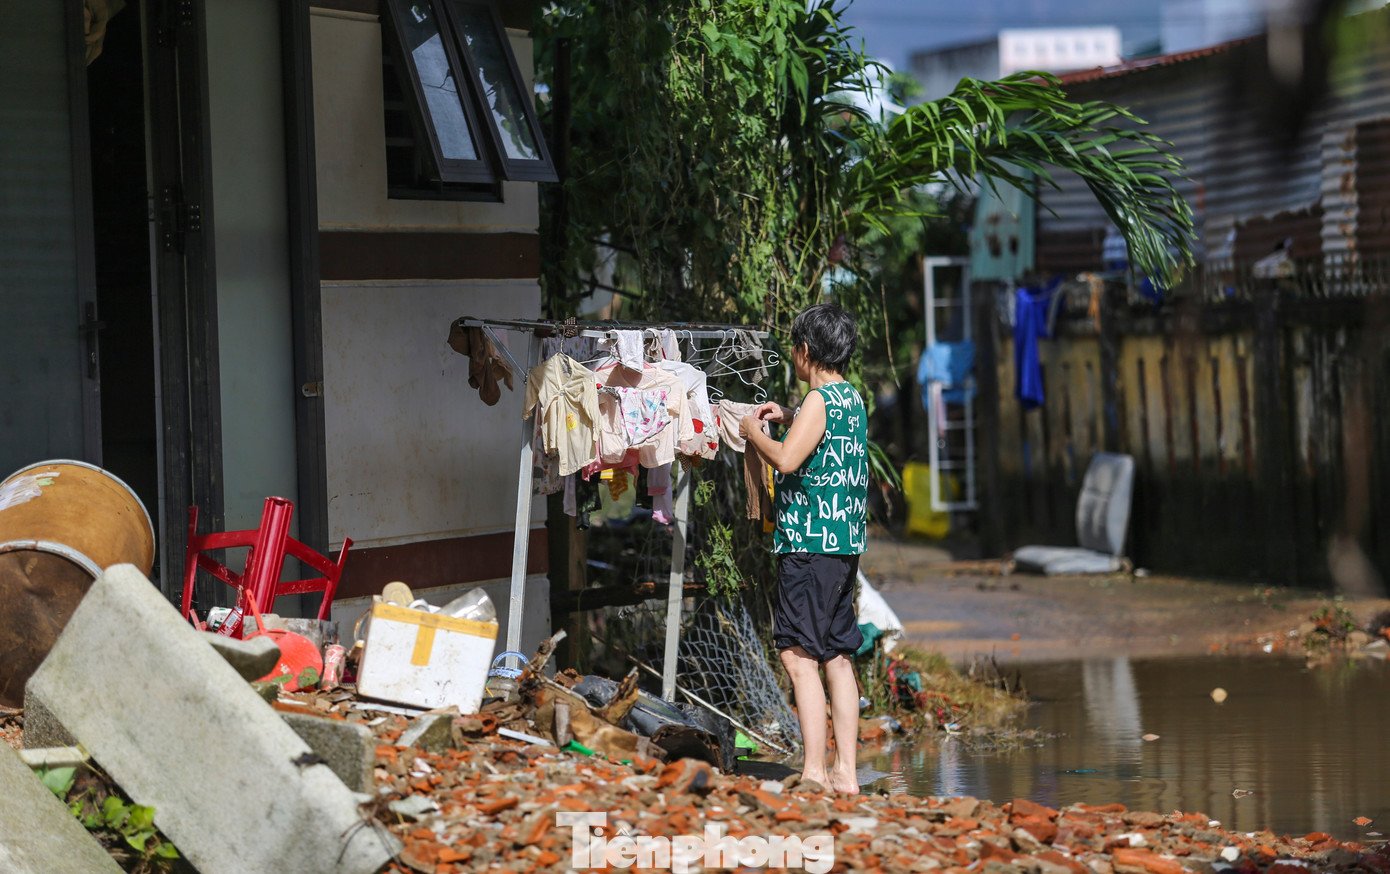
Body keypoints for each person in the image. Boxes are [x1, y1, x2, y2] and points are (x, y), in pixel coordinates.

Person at [740, 303, 869, 795]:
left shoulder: (818, 402)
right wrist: (790, 413)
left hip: (809, 547)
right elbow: (822, 430)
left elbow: (789, 460)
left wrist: (756, 433)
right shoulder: (849, 398)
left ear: (805, 352)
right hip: (842, 547)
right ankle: (847, 774)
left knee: (799, 657)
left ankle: (815, 771)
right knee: (837, 655)